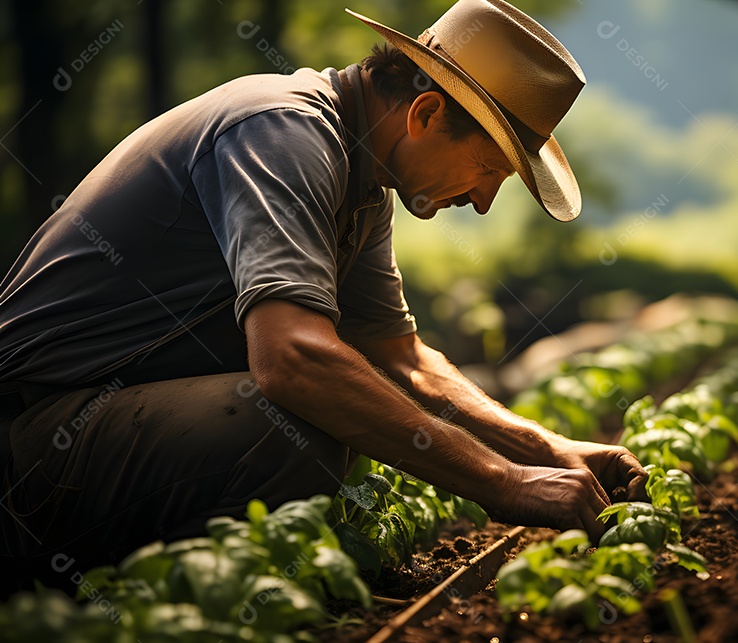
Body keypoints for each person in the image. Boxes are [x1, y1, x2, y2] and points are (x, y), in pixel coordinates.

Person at [0, 0, 647, 590]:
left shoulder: (362, 179)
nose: (482, 202)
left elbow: (406, 360)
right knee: (295, 427)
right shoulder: (284, 133)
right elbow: (293, 359)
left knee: (348, 409)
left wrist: (545, 450)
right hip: (34, 435)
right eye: (489, 171)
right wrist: (502, 484)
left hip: (90, 427)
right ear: (425, 114)